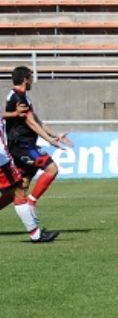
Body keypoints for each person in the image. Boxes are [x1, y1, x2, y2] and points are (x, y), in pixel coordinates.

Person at [5, 66, 71, 221]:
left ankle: (29, 204)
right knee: (51, 169)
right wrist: (49, 141)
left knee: (17, 190)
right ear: (25, 79)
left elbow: (37, 122)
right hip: (22, 146)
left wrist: (56, 135)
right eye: (31, 77)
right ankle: (31, 203)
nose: (32, 80)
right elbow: (31, 123)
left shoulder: (23, 97)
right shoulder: (18, 97)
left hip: (24, 144)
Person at [0, 99, 58, 242]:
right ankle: (35, 235)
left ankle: (35, 234)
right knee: (19, 192)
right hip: (2, 162)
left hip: (3, 160)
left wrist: (15, 113)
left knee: (11, 194)